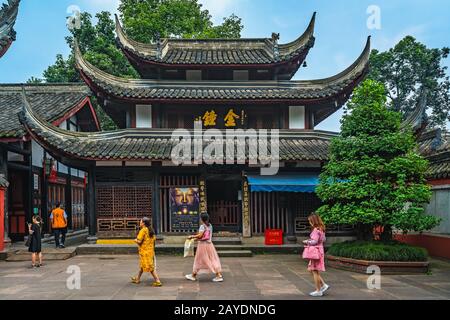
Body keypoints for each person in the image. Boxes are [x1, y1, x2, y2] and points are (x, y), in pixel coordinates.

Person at [185, 213, 223, 283]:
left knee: (198, 260)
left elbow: (200, 236)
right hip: (209, 245)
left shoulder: (202, 226)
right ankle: (218, 275)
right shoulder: (210, 225)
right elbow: (205, 236)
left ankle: (193, 275)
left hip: (203, 245)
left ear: (202, 219)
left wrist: (192, 236)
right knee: (212, 259)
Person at [303, 213, 329, 297]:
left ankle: (318, 290)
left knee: (314, 270)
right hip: (319, 250)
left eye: (310, 221)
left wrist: (307, 241)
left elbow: (314, 242)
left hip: (315, 251)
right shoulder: (321, 229)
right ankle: (323, 285)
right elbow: (323, 239)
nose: (309, 223)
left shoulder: (315, 230)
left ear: (313, 221)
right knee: (312, 269)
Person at [131, 217, 162, 287]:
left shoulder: (143, 231)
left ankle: (157, 281)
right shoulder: (151, 230)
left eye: (141, 221)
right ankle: (137, 278)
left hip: (145, 252)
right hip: (150, 251)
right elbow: (153, 241)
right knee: (142, 266)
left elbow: (139, 241)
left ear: (143, 223)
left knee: (150, 267)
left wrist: (135, 240)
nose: (140, 222)